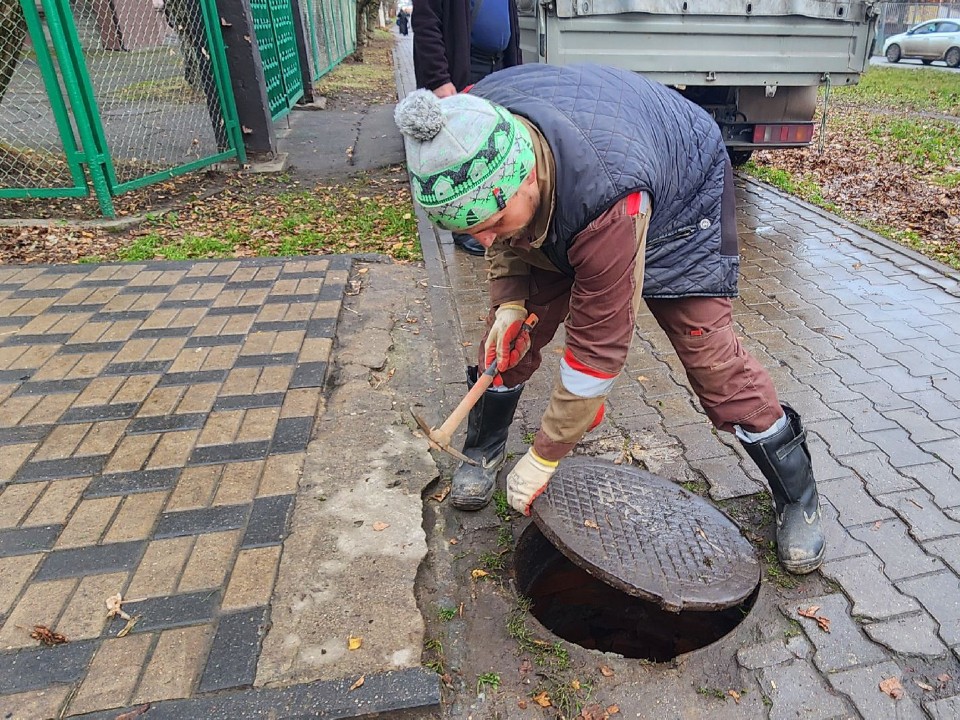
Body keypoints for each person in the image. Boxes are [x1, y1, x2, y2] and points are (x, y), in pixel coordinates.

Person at [394, 65, 826, 575]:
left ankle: (799, 497)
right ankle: (483, 451)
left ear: (526, 176)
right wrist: (511, 302)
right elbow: (503, 239)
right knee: (508, 337)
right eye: (471, 231)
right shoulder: (474, 126)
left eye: (491, 225)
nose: (484, 242)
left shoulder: (608, 200)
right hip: (586, 184)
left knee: (712, 361)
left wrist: (546, 454)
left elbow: (599, 349)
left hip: (681, 199)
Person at [411, 0, 521, 256]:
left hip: (498, 65)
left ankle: (495, 225)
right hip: (466, 68)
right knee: (462, 155)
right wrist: (438, 78)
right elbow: (426, 23)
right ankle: (467, 229)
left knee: (497, 150)